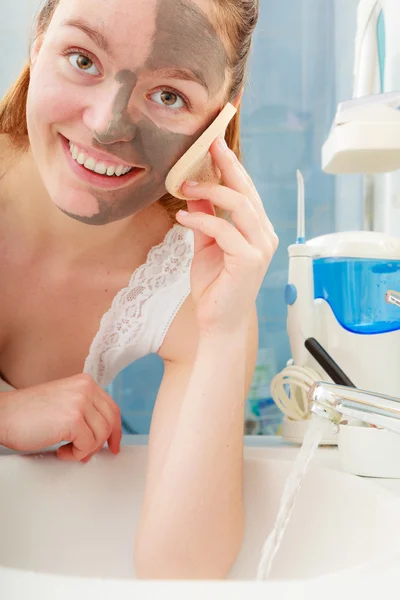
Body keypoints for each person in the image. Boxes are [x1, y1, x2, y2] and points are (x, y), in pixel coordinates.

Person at [0, 0, 278, 580]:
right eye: (82, 59)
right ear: (38, 45)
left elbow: (180, 573)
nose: (107, 125)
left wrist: (223, 334)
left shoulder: (194, 280)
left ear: (218, 124)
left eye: (169, 95)